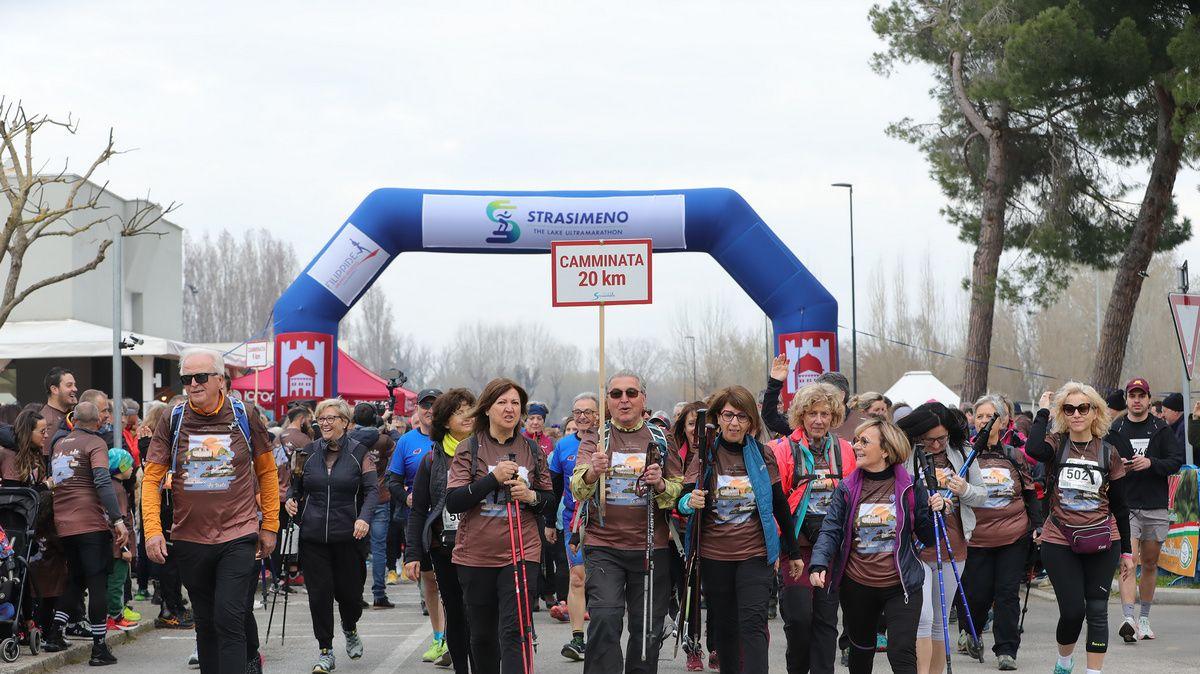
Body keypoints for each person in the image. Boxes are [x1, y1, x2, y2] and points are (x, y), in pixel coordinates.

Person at [141, 348, 279, 674]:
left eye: (200, 377)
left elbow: (267, 473)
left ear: (220, 379)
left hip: (238, 533)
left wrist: (270, 524)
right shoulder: (172, 418)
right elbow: (151, 479)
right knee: (205, 623)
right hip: (190, 537)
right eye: (186, 379)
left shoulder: (244, 415)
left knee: (229, 618)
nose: (193, 384)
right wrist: (152, 530)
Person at [680, 385, 803, 674]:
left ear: (751, 422)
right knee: (725, 626)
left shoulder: (762, 454)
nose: (734, 423)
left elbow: (779, 504)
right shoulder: (704, 454)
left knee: (753, 623)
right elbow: (681, 499)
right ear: (717, 418)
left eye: (742, 417)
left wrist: (793, 552)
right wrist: (690, 500)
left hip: (755, 554)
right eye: (728, 415)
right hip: (714, 556)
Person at [571, 371, 682, 674]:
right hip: (604, 545)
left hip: (650, 547)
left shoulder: (661, 438)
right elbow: (577, 489)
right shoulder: (596, 437)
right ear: (607, 400)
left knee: (646, 630)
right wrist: (593, 472)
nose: (624, 400)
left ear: (643, 398)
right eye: (616, 394)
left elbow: (677, 493)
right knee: (605, 621)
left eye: (631, 393)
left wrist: (661, 484)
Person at [809, 418, 940, 674]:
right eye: (857, 440)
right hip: (858, 585)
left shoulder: (911, 487)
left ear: (885, 450)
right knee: (861, 653)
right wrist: (819, 563)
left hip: (901, 585)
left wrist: (936, 512)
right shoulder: (847, 487)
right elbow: (831, 529)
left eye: (864, 441)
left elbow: (928, 536)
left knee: (901, 651)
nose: (856, 446)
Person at [445, 378, 554, 674]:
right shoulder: (469, 447)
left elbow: (549, 500)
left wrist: (531, 497)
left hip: (522, 553)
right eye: (502, 402)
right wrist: (491, 480)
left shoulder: (532, 449)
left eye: (515, 403)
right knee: (481, 636)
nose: (509, 409)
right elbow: (454, 501)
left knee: (515, 632)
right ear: (488, 408)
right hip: (475, 555)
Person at [1027, 383, 1134, 674]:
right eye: (1069, 408)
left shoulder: (1109, 452)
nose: (1076, 414)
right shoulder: (1056, 444)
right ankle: (1064, 661)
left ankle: (1093, 672)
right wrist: (1043, 411)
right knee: (1073, 612)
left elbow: (1121, 507)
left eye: (1082, 408)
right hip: (1059, 540)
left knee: (1097, 610)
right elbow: (1032, 449)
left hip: (1103, 539)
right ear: (1063, 413)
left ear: (1094, 412)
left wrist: (1127, 552)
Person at [767, 381, 856, 674]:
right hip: (796, 548)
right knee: (799, 618)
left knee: (826, 619)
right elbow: (775, 498)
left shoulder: (845, 450)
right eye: (812, 414)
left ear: (834, 417)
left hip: (830, 548)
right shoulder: (783, 449)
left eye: (825, 414)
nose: (818, 420)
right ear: (801, 416)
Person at [285, 398, 378, 674]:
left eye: (331, 419)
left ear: (345, 423)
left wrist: (364, 518)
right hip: (313, 537)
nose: (324, 424)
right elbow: (295, 487)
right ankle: (325, 650)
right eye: (321, 419)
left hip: (349, 536)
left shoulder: (360, 453)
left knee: (350, 596)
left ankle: (350, 627)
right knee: (319, 596)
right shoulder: (307, 452)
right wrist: (291, 500)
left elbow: (372, 491)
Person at [895, 404, 986, 674]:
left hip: (952, 543)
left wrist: (964, 489)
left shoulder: (963, 453)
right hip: (916, 546)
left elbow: (982, 495)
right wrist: (923, 502)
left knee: (940, 619)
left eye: (941, 438)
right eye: (929, 439)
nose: (935, 444)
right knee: (922, 617)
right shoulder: (905, 455)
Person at [962, 395, 1042, 670]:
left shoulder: (1014, 456)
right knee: (978, 594)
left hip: (1013, 536)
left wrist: (1037, 526)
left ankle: (1006, 650)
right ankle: (970, 633)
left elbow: (1031, 494)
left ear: (1003, 421)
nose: (984, 421)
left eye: (990, 416)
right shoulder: (965, 454)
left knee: (1007, 594)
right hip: (977, 538)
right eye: (980, 416)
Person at [50, 400, 129, 666]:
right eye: (104, 417)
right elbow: (102, 480)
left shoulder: (59, 444)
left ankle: (54, 633)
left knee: (75, 579)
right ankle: (98, 648)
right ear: (97, 423)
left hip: (63, 522)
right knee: (97, 582)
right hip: (90, 523)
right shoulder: (96, 443)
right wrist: (117, 519)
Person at [405, 388, 478, 672]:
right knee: (456, 613)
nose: (467, 417)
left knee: (480, 613)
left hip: (482, 546)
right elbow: (419, 510)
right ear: (445, 421)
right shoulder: (431, 460)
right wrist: (412, 553)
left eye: (470, 410)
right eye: (459, 412)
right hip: (444, 548)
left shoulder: (486, 451)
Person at [1108, 378, 1184, 643]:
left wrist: (1151, 463)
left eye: (1141, 395)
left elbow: (1176, 461)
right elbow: (1105, 461)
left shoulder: (1160, 428)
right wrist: (1120, 467)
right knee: (1128, 560)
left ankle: (1144, 618)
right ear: (1127, 400)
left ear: (1149, 399)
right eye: (1132, 395)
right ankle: (1128, 618)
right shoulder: (1115, 428)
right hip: (1126, 506)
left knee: (1150, 563)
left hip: (1155, 505)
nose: (1137, 400)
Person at [386, 387, 446, 664]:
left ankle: (455, 635)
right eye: (425, 406)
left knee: (454, 582)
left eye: (435, 405)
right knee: (430, 582)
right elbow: (393, 481)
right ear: (417, 410)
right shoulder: (407, 442)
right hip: (421, 520)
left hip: (452, 520)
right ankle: (438, 639)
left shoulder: (455, 440)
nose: (430, 410)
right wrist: (409, 498)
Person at [547, 392, 599, 661]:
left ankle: (602, 636)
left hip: (603, 522)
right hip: (573, 521)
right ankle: (577, 638)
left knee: (600, 580)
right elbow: (554, 487)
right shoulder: (563, 446)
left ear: (599, 415)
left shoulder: (607, 442)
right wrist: (549, 523)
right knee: (577, 577)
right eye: (577, 412)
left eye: (588, 412)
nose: (582, 417)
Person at [348, 403, 397, 610]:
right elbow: (397, 459)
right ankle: (379, 593)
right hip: (380, 497)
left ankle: (356, 594)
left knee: (356, 550)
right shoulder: (384, 440)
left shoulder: (348, 439)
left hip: (355, 498)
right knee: (378, 549)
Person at [105, 448, 138, 632]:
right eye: (129, 464)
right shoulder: (118, 490)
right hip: (119, 547)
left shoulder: (110, 487)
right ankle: (115, 616)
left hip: (113, 546)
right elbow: (121, 523)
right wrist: (127, 550)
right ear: (121, 466)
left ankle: (112, 614)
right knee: (117, 583)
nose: (133, 468)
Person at [40, 367, 77, 460]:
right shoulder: (47, 420)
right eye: (69, 385)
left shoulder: (73, 413)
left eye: (74, 385)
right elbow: (47, 460)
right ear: (54, 389)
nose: (75, 389)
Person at [10, 409, 48, 487]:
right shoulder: (10, 455)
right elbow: (15, 493)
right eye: (42, 432)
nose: (46, 435)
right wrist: (46, 485)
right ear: (28, 433)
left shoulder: (36, 452)